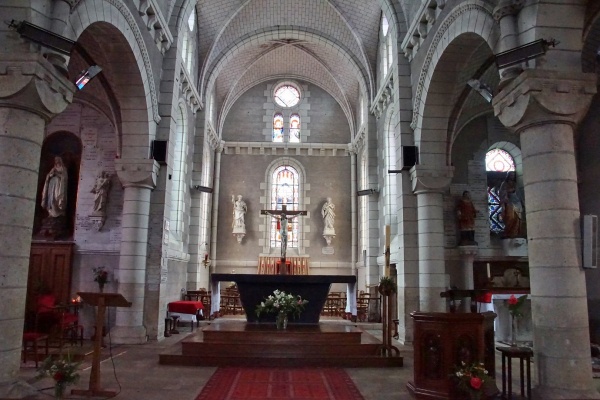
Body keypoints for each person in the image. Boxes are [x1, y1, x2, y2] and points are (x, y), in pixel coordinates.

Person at [499, 171, 523, 238]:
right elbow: (501, 192)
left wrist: (522, 202)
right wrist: (508, 191)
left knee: (518, 218)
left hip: (517, 202)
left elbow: (519, 194)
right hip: (509, 202)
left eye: (513, 175)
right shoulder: (504, 183)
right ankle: (508, 232)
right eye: (511, 175)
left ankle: (516, 233)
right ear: (508, 175)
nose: (512, 176)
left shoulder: (515, 184)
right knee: (511, 217)